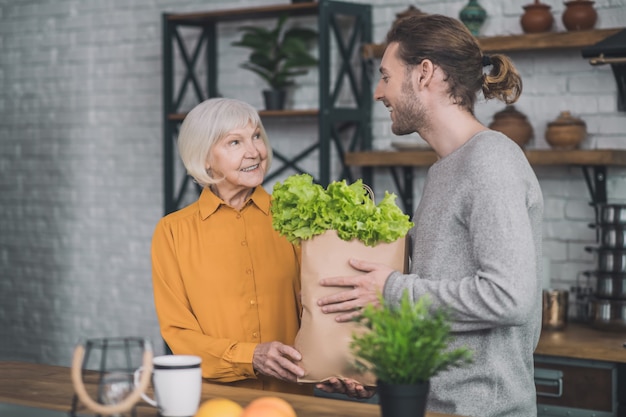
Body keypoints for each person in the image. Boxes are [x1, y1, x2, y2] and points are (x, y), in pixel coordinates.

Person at [316, 13, 544, 417]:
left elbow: (510, 298)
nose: (377, 92)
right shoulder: (446, 168)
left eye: (386, 76)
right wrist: (382, 371)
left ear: (425, 74)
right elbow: (434, 306)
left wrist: (390, 290)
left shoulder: (490, 160)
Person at [151, 97, 313, 395]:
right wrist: (249, 356)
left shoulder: (295, 218)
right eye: (234, 143)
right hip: (215, 401)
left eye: (255, 137)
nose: (255, 151)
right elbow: (179, 334)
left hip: (292, 399)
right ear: (205, 158)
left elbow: (319, 309)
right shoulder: (172, 232)